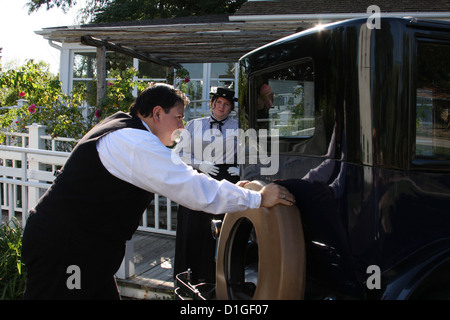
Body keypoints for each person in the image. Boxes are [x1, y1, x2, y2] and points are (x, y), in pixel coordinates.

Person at [21, 83, 295, 300]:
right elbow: (191, 188)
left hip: (86, 248)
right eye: (177, 117)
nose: (181, 126)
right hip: (67, 248)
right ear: (156, 113)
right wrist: (257, 198)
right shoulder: (136, 142)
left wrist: (233, 189)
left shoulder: (126, 129)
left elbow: (184, 174)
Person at [173, 86, 240, 284]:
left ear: (231, 108)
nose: (222, 107)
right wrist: (199, 163)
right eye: (218, 103)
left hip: (227, 181)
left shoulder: (239, 127)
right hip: (199, 180)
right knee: (195, 229)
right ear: (212, 104)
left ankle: (221, 280)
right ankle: (192, 278)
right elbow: (179, 154)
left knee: (224, 231)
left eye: (226, 104)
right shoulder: (194, 125)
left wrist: (241, 167)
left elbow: (250, 153)